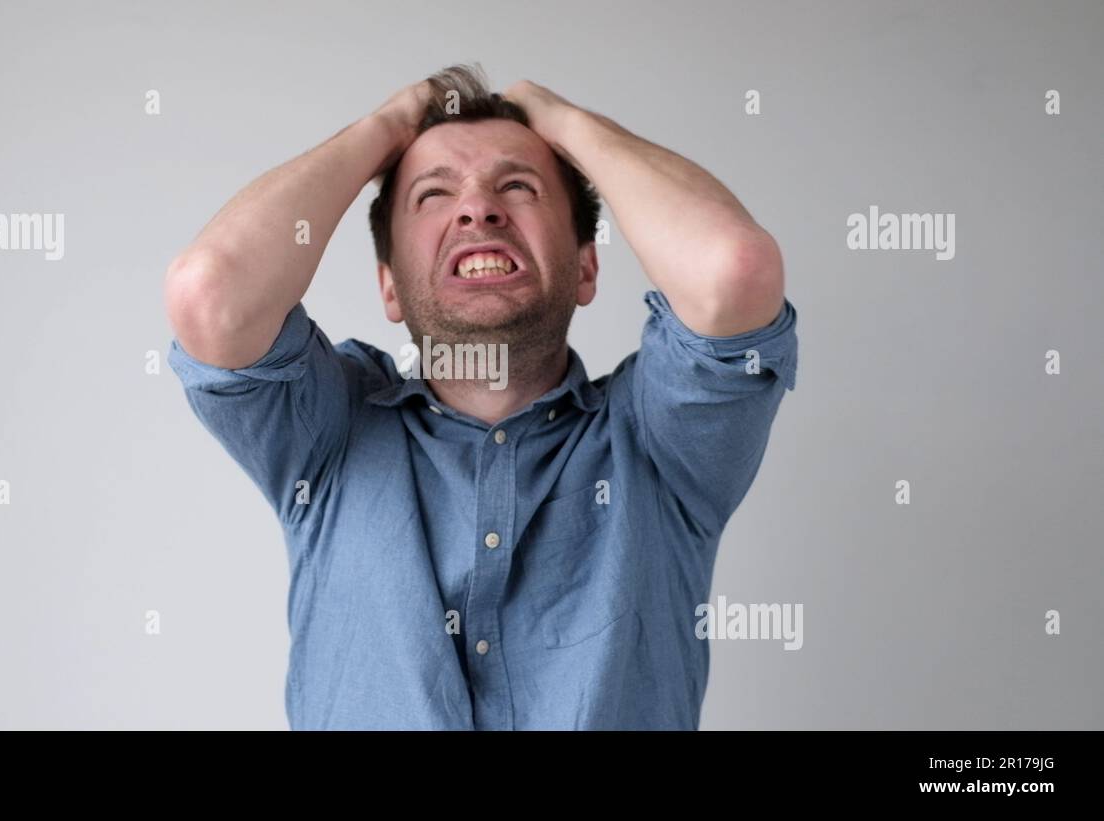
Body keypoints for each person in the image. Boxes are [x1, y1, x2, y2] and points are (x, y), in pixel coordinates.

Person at [164, 64, 798, 729]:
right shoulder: (325, 432)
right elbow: (210, 292)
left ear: (587, 266)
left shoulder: (659, 443)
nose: (479, 208)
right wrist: (385, 125)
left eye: (518, 186)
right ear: (389, 288)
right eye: (434, 194)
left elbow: (735, 269)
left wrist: (562, 121)